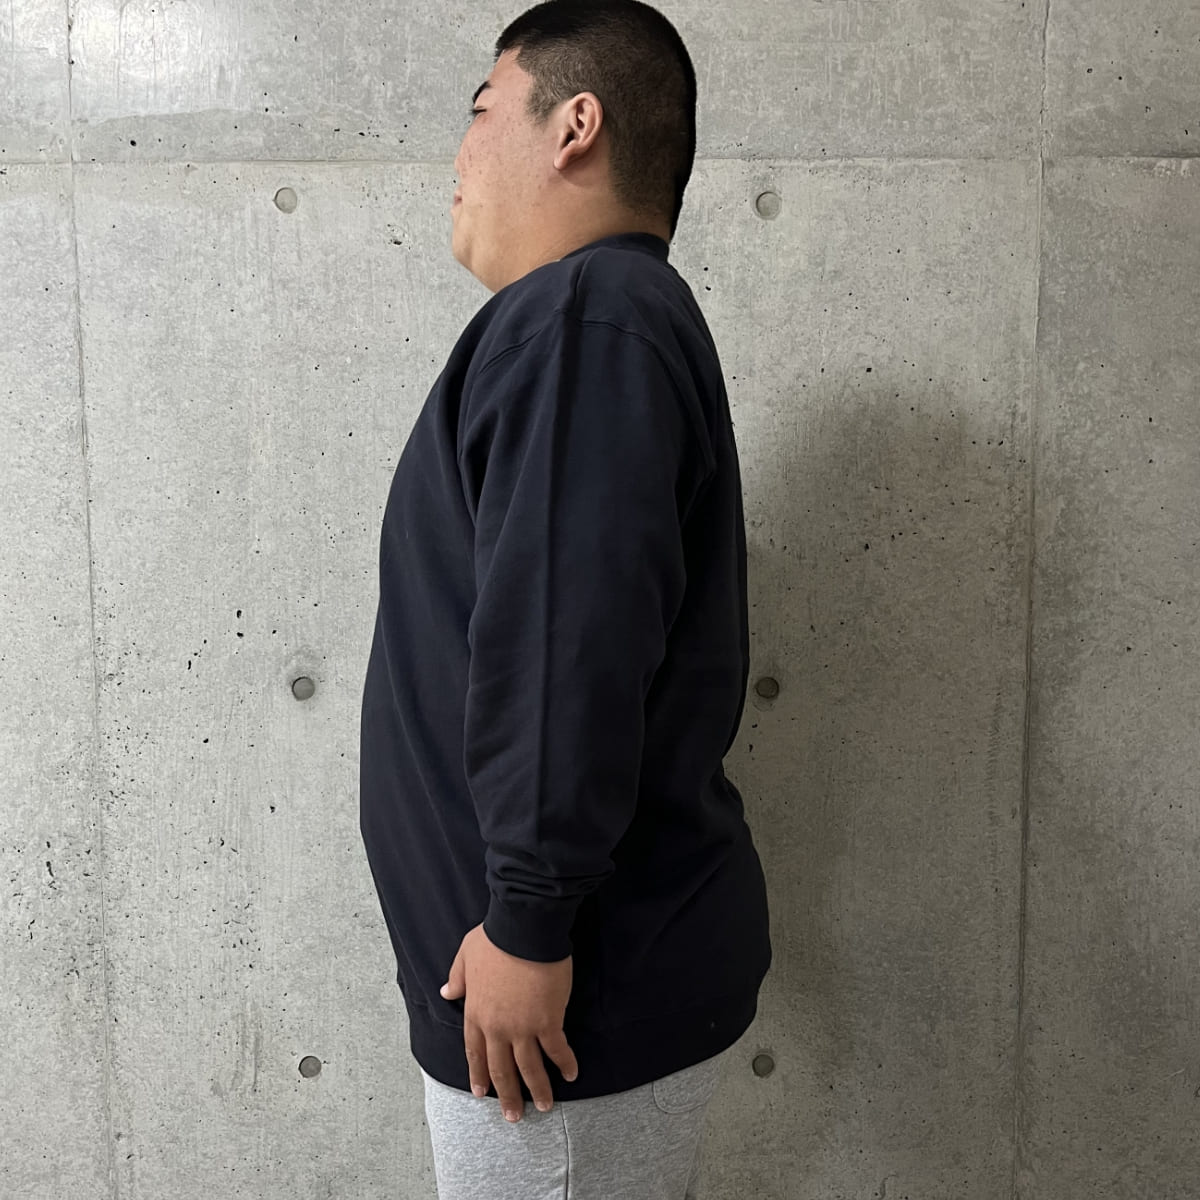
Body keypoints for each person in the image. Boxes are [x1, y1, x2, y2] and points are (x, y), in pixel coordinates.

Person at [358, 2, 773, 1196]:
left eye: (482, 109)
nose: (457, 154)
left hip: (560, 1012)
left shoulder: (585, 321)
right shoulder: (593, 322)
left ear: (573, 126)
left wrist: (530, 924)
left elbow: (564, 647)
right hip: (558, 997)